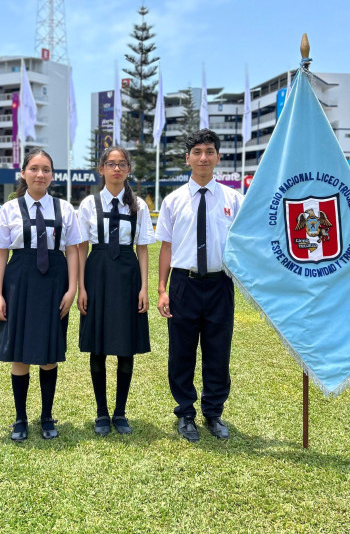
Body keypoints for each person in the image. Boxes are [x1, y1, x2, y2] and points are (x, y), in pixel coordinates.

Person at [155, 129, 243, 442]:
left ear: (218, 157)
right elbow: (166, 246)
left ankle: (214, 412)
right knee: (181, 352)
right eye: (197, 152)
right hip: (183, 283)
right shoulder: (173, 201)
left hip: (220, 284)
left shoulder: (234, 199)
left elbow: (245, 244)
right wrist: (162, 289)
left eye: (209, 151)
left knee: (218, 350)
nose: (203, 157)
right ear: (188, 158)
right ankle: (185, 413)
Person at [0, 150, 81, 442]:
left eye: (45, 170)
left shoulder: (65, 209)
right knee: (20, 353)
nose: (40, 174)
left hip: (55, 283)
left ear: (52, 175)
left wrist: (72, 288)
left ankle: (46, 416)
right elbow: (1, 254)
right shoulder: (9, 209)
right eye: (34, 169)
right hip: (19, 283)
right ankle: (20, 419)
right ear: (24, 173)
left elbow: (73, 251)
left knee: (49, 353)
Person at [77, 146, 155, 436]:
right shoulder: (88, 204)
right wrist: (82, 287)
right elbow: (81, 248)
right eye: (111, 164)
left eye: (122, 164)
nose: (117, 169)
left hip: (127, 275)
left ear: (128, 169)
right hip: (96, 273)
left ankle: (120, 412)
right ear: (101, 169)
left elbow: (143, 249)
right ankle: (101, 413)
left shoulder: (138, 206)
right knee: (97, 345)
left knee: (125, 346)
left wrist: (144, 287)